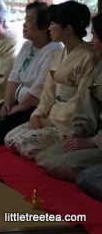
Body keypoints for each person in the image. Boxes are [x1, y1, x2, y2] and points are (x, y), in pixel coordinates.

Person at [4, 0, 96, 160]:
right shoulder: (58, 54)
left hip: (69, 121)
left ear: (67, 29)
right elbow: (48, 91)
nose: (49, 27)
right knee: (10, 139)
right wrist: (38, 114)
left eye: (53, 23)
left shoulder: (88, 57)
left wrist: (52, 121)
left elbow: (81, 99)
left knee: (25, 145)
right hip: (51, 115)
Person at [0, 1, 63, 144]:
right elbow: (13, 76)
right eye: (25, 19)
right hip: (16, 102)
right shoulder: (27, 45)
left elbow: (38, 90)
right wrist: (8, 102)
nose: (24, 24)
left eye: (29, 20)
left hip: (33, 106)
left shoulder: (54, 49)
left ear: (44, 26)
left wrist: (17, 108)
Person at [35, 13, 102, 181]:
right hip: (91, 134)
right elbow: (86, 106)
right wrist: (78, 131)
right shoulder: (99, 67)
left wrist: (92, 142)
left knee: (64, 163)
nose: (92, 42)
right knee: (45, 157)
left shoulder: (88, 58)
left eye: (95, 36)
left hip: (98, 141)